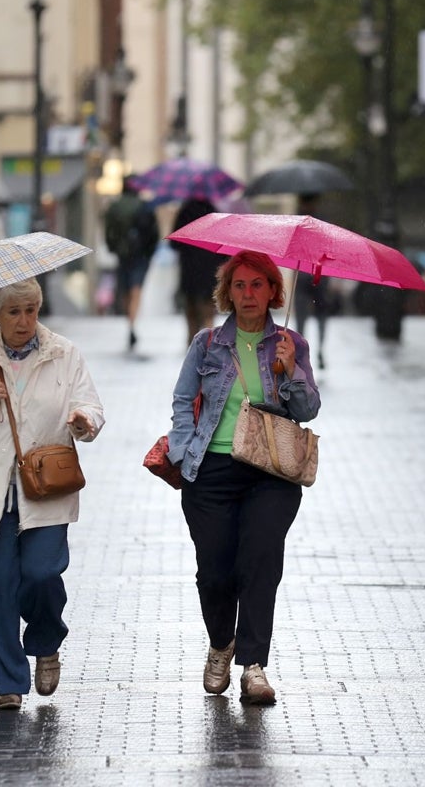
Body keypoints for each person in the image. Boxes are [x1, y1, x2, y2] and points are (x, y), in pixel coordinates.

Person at [165, 250, 321, 705]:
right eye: (240, 285)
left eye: (258, 285)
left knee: (260, 562)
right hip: (210, 469)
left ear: (274, 291)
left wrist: (291, 371)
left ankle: (254, 666)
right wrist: (182, 450)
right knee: (214, 572)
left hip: (270, 473)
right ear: (227, 292)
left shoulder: (291, 344)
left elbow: (308, 410)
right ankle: (220, 643)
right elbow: (181, 401)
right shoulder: (207, 343)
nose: (248, 294)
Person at [0, 277, 105, 710]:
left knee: (41, 575)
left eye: (30, 310)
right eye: (13, 312)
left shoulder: (64, 354)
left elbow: (92, 406)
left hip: (46, 490)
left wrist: (83, 421)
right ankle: (7, 684)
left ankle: (47, 641)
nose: (24, 320)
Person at [104, 177, 160, 350]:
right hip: (141, 256)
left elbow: (108, 231)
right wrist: (150, 252)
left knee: (126, 289)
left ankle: (130, 321)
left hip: (123, 255)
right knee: (136, 289)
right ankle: (132, 322)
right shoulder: (145, 206)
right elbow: (154, 234)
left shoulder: (115, 206)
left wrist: (113, 248)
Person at [171, 197, 227, 346]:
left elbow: (174, 244)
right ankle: (209, 344)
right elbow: (225, 251)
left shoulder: (184, 213)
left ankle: (192, 342)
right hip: (210, 271)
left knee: (191, 309)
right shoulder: (215, 214)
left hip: (189, 270)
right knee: (208, 309)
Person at [292, 194, 333, 369]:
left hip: (315, 276)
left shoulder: (300, 222)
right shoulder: (299, 222)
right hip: (311, 276)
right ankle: (304, 353)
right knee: (308, 318)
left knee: (317, 316)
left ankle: (317, 351)